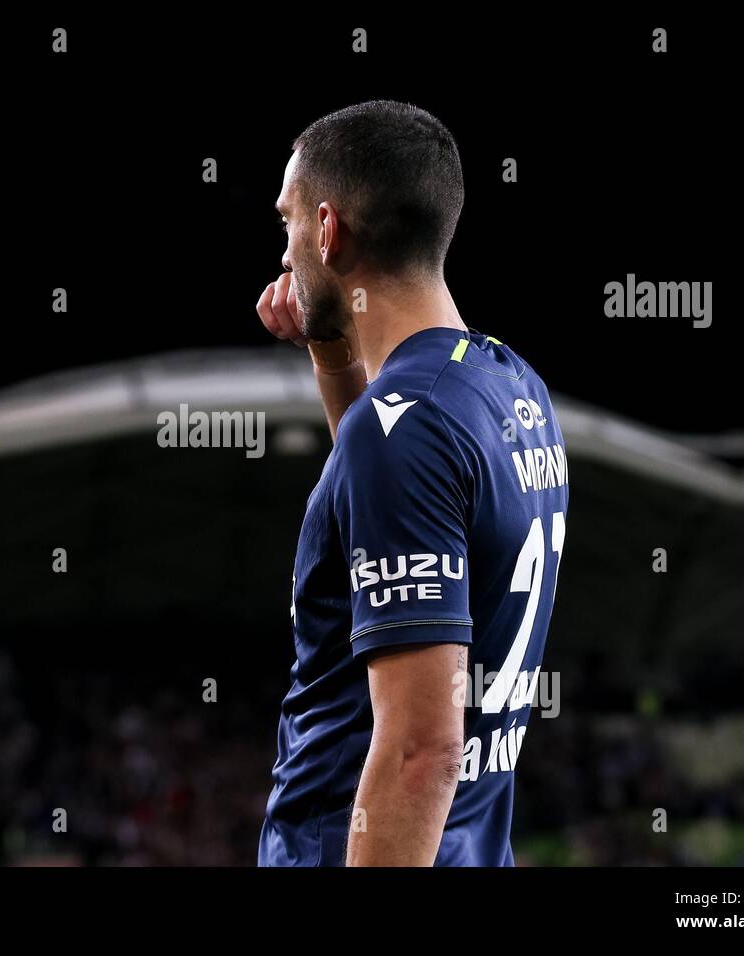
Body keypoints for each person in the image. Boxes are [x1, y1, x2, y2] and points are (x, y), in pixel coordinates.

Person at [255, 101, 569, 866]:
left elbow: (420, 752)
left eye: (289, 222)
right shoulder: (509, 385)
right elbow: (387, 504)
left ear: (328, 231)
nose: (287, 251)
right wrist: (331, 352)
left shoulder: (404, 430)